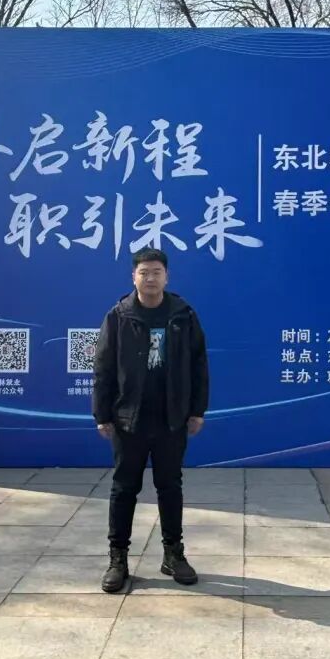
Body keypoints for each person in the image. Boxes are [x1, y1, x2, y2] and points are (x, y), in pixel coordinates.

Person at [92, 248, 209, 594]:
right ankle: (118, 559)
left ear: (166, 277)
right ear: (134, 277)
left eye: (156, 272)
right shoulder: (119, 316)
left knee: (170, 486)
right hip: (129, 419)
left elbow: (199, 365)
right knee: (124, 488)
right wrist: (102, 414)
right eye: (144, 272)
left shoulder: (183, 315)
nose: (150, 278)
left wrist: (197, 410)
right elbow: (103, 367)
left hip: (171, 418)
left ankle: (174, 553)